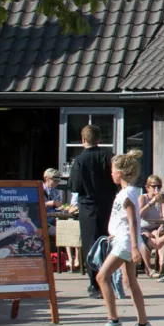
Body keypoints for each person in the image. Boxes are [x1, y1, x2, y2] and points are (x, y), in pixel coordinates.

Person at [95, 149, 152, 326]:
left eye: (112, 170)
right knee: (130, 281)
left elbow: (132, 220)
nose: (111, 173)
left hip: (126, 243)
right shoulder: (129, 193)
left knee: (102, 276)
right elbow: (125, 220)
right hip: (123, 239)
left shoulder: (126, 194)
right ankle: (143, 323)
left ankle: (113, 320)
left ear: (119, 173)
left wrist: (135, 247)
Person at [67, 125, 117, 297]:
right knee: (108, 243)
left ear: (82, 140)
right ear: (99, 140)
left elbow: (74, 186)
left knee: (90, 244)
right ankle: (108, 280)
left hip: (88, 206)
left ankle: (94, 283)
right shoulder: (108, 156)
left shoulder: (80, 160)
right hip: (108, 205)